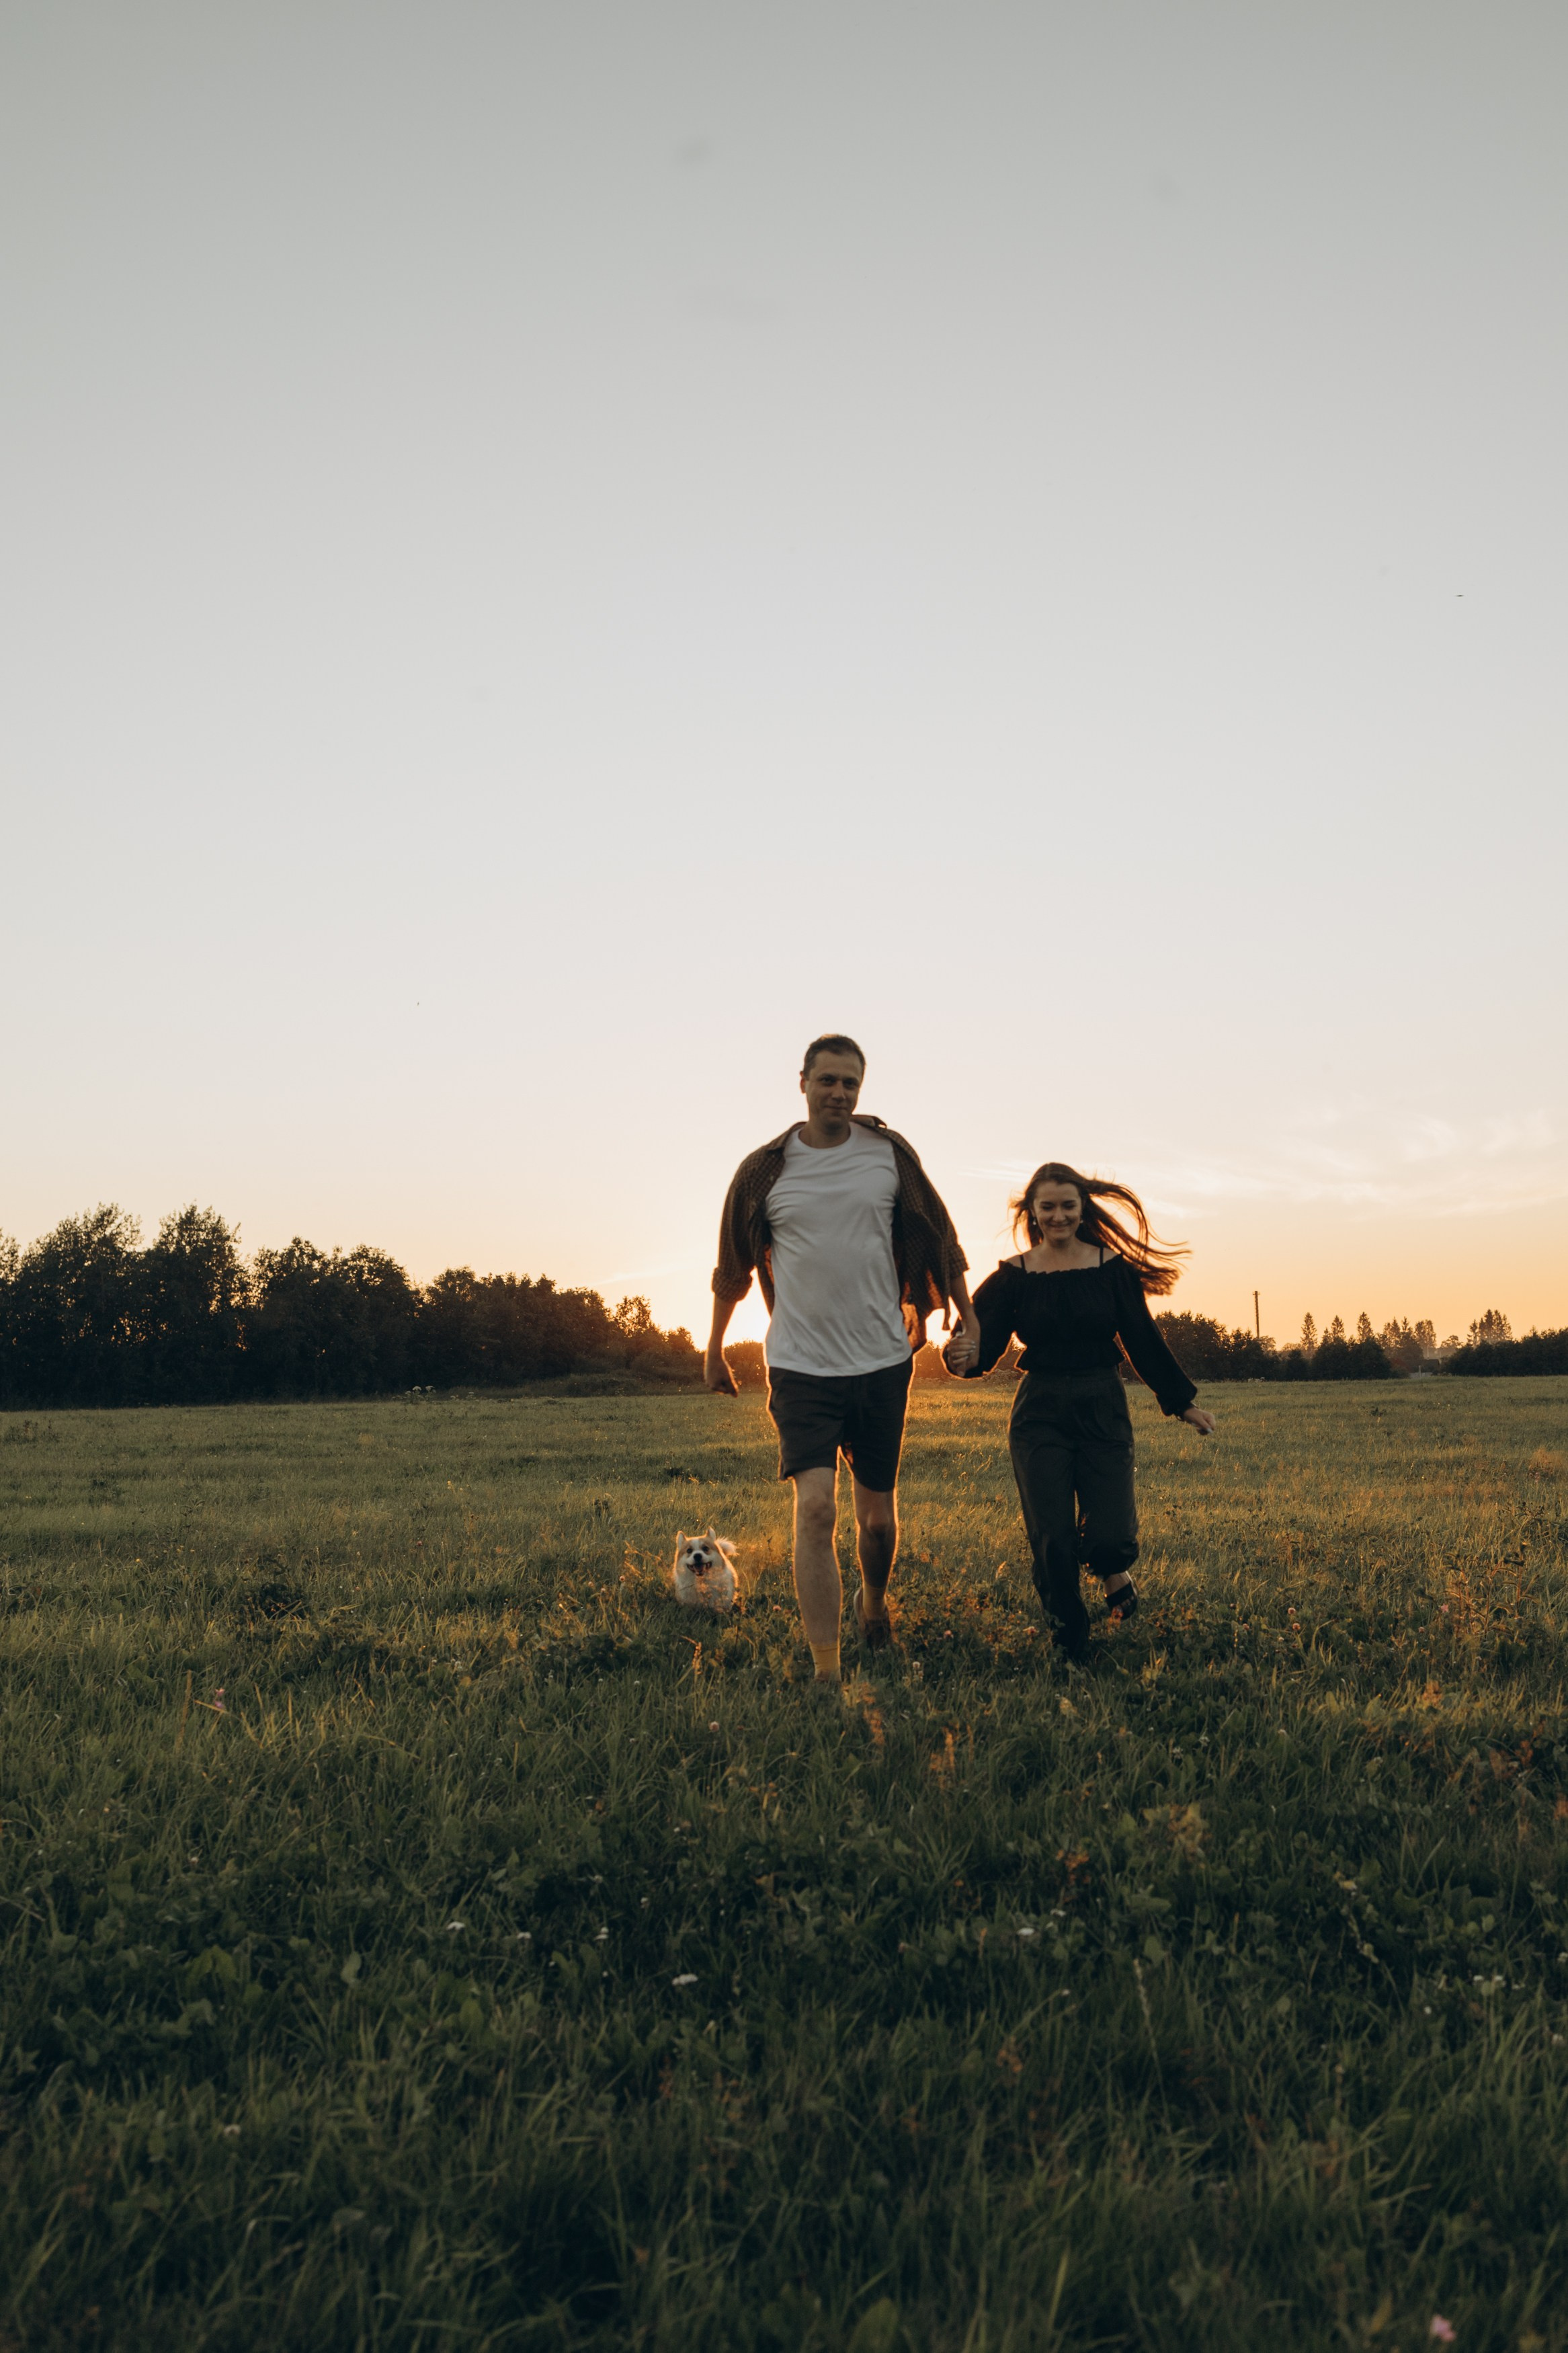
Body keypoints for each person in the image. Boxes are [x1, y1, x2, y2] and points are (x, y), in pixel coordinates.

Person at [706, 1033, 978, 1690]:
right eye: (826, 1080)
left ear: (861, 1088)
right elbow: (731, 1265)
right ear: (801, 1081)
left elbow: (940, 1238)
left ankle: (872, 1599)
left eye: (849, 1083)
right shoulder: (762, 1170)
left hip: (882, 1360)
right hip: (800, 1364)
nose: (838, 1092)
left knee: (876, 1520)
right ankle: (826, 1668)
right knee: (817, 1509)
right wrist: (712, 1346)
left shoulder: (888, 1154)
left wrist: (968, 1314)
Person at [944, 1161, 1215, 1661]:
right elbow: (978, 1342)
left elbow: (1142, 1339)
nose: (1058, 1215)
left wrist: (1182, 1403)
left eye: (1068, 1205)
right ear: (1032, 1212)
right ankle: (1070, 1637)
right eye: (1047, 1206)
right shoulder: (1013, 1276)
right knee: (1051, 1534)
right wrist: (960, 1358)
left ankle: (1113, 1568)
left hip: (1101, 1403)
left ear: (1082, 1208)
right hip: (1039, 1410)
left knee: (1111, 1528)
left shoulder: (1111, 1269)